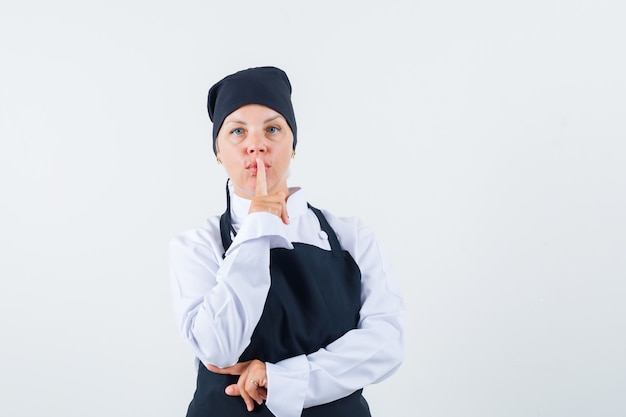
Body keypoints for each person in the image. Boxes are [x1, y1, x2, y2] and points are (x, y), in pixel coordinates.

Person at [169, 66, 404, 417]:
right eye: (237, 131)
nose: (256, 145)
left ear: (293, 144)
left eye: (273, 129)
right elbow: (218, 347)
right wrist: (258, 224)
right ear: (218, 151)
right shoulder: (195, 245)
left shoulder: (351, 237)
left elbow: (386, 343)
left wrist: (281, 379)